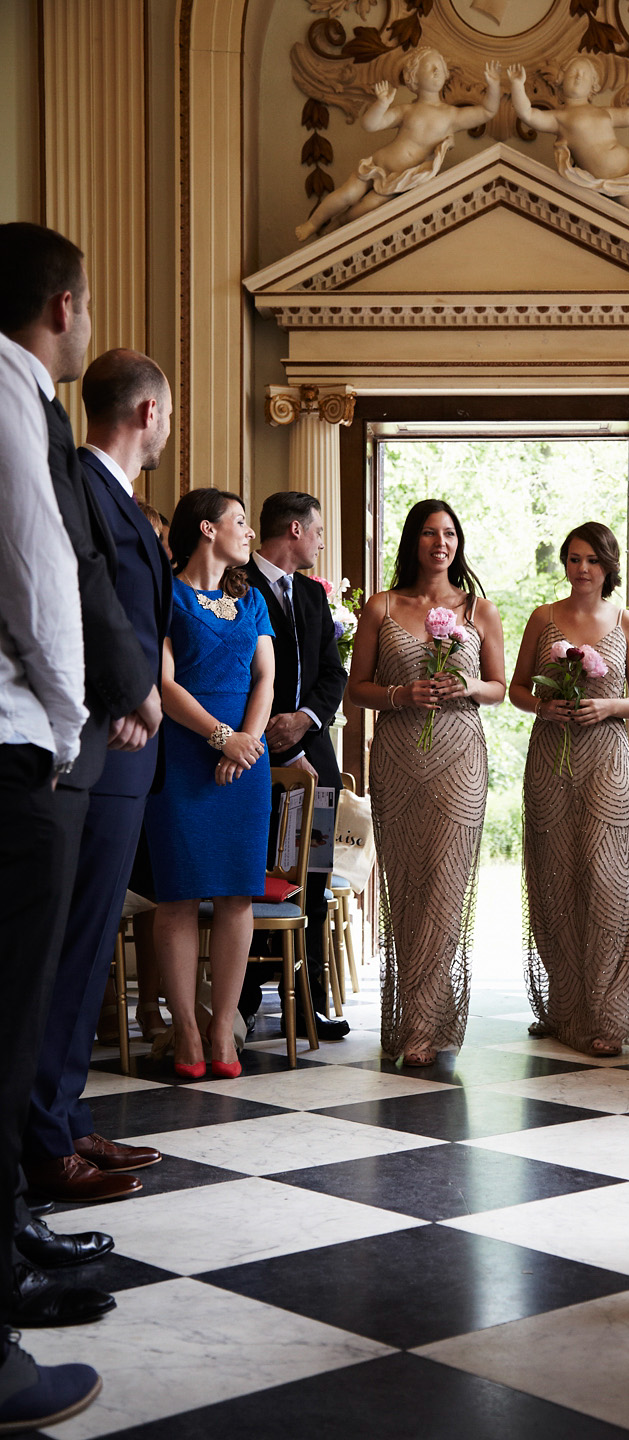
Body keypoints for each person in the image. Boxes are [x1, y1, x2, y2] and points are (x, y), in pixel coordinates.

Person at [0, 222, 162, 1215]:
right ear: (64, 307)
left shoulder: (39, 418)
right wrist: (98, 706)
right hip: (73, 744)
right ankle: (41, 1156)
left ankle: (51, 1136)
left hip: (84, 740)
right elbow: (57, 587)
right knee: (45, 980)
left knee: (67, 963)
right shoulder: (48, 439)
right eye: (87, 301)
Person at [0, 328, 102, 1426]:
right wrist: (68, 728)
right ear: (60, 303)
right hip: (18, 748)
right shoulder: (13, 397)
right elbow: (41, 578)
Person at [348, 499, 505, 1065]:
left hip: (461, 757)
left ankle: (424, 1023)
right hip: (397, 757)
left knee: (445, 886)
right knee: (407, 885)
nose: (441, 543)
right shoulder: (382, 607)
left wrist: (465, 689)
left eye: (450, 534)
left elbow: (499, 687)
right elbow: (355, 689)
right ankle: (416, 1016)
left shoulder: (479, 609)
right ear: (413, 541)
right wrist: (400, 695)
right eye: (430, 533)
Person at [509, 522, 629, 1056]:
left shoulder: (625, 622)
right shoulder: (543, 618)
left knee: (606, 880)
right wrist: (544, 705)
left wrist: (607, 706)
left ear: (608, 565)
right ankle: (565, 1003)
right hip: (551, 756)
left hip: (607, 760)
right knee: (555, 876)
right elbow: (515, 689)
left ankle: (606, 1011)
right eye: (573, 559)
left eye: (592, 559)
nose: (582, 568)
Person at [145, 489, 275, 1080]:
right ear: (207, 528)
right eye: (240, 522)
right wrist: (220, 737)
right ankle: (187, 1031)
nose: (249, 533)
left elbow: (266, 679)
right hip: (183, 750)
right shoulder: (165, 593)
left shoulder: (251, 600)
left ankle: (224, 1026)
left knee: (236, 895)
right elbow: (164, 684)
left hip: (246, 759)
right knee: (177, 895)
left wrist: (244, 744)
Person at [243, 491, 349, 1040]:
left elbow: (334, 673)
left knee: (313, 881)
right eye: (317, 530)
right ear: (294, 529)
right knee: (250, 876)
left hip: (317, 761)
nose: (321, 540)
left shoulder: (311, 593)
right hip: (254, 760)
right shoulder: (237, 582)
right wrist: (276, 737)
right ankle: (241, 1003)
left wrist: (305, 719)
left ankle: (306, 1004)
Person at [295, 50, 501, 240]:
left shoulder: (451, 116)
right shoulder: (407, 110)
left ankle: (337, 226)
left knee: (366, 208)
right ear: (413, 77)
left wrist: (493, 87)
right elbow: (370, 125)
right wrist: (381, 104)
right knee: (348, 195)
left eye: (439, 66)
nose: (437, 70)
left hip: (401, 179)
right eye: (430, 67)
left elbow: (487, 112)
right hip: (378, 163)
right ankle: (313, 223)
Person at [508, 58, 629, 243]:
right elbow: (528, 114)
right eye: (573, 73)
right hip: (610, 184)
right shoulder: (559, 118)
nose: (579, 76)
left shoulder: (603, 112)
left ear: (593, 86)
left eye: (585, 74)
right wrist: (517, 86)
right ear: (560, 80)